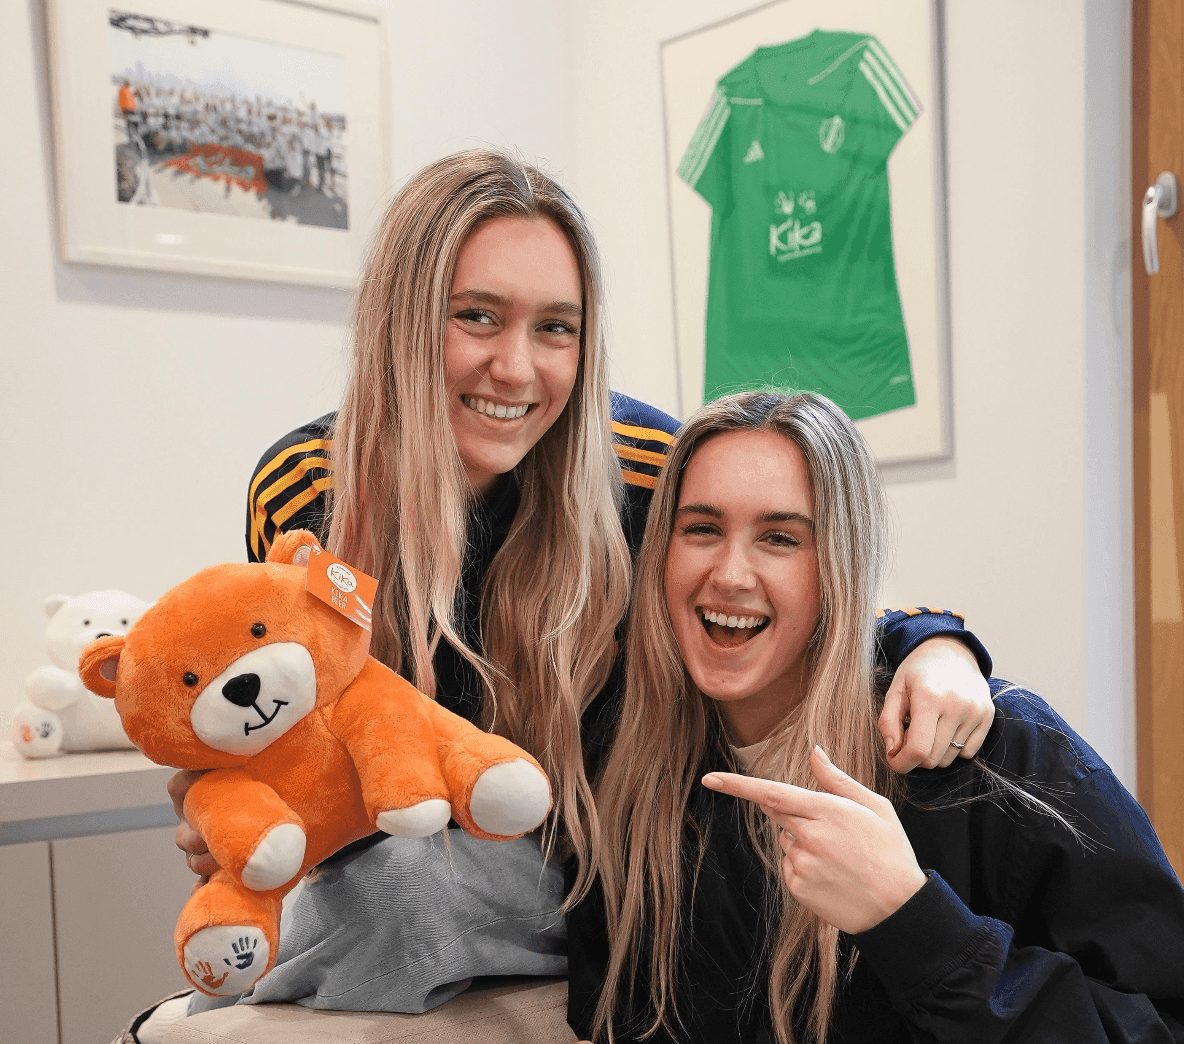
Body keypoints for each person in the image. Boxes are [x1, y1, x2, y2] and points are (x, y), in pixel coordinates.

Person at [125, 151, 996, 1043]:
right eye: (477, 316)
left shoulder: (645, 465)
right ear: (403, 320)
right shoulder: (309, 486)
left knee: (403, 900)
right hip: (392, 847)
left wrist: (937, 644)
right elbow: (293, 720)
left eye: (555, 328)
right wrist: (244, 800)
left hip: (613, 859)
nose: (516, 368)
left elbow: (801, 594)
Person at [568, 391, 1184, 1044]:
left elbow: (1160, 1024)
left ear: (841, 566)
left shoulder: (995, 756)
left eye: (780, 538)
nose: (730, 574)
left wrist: (910, 920)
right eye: (701, 529)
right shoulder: (624, 773)